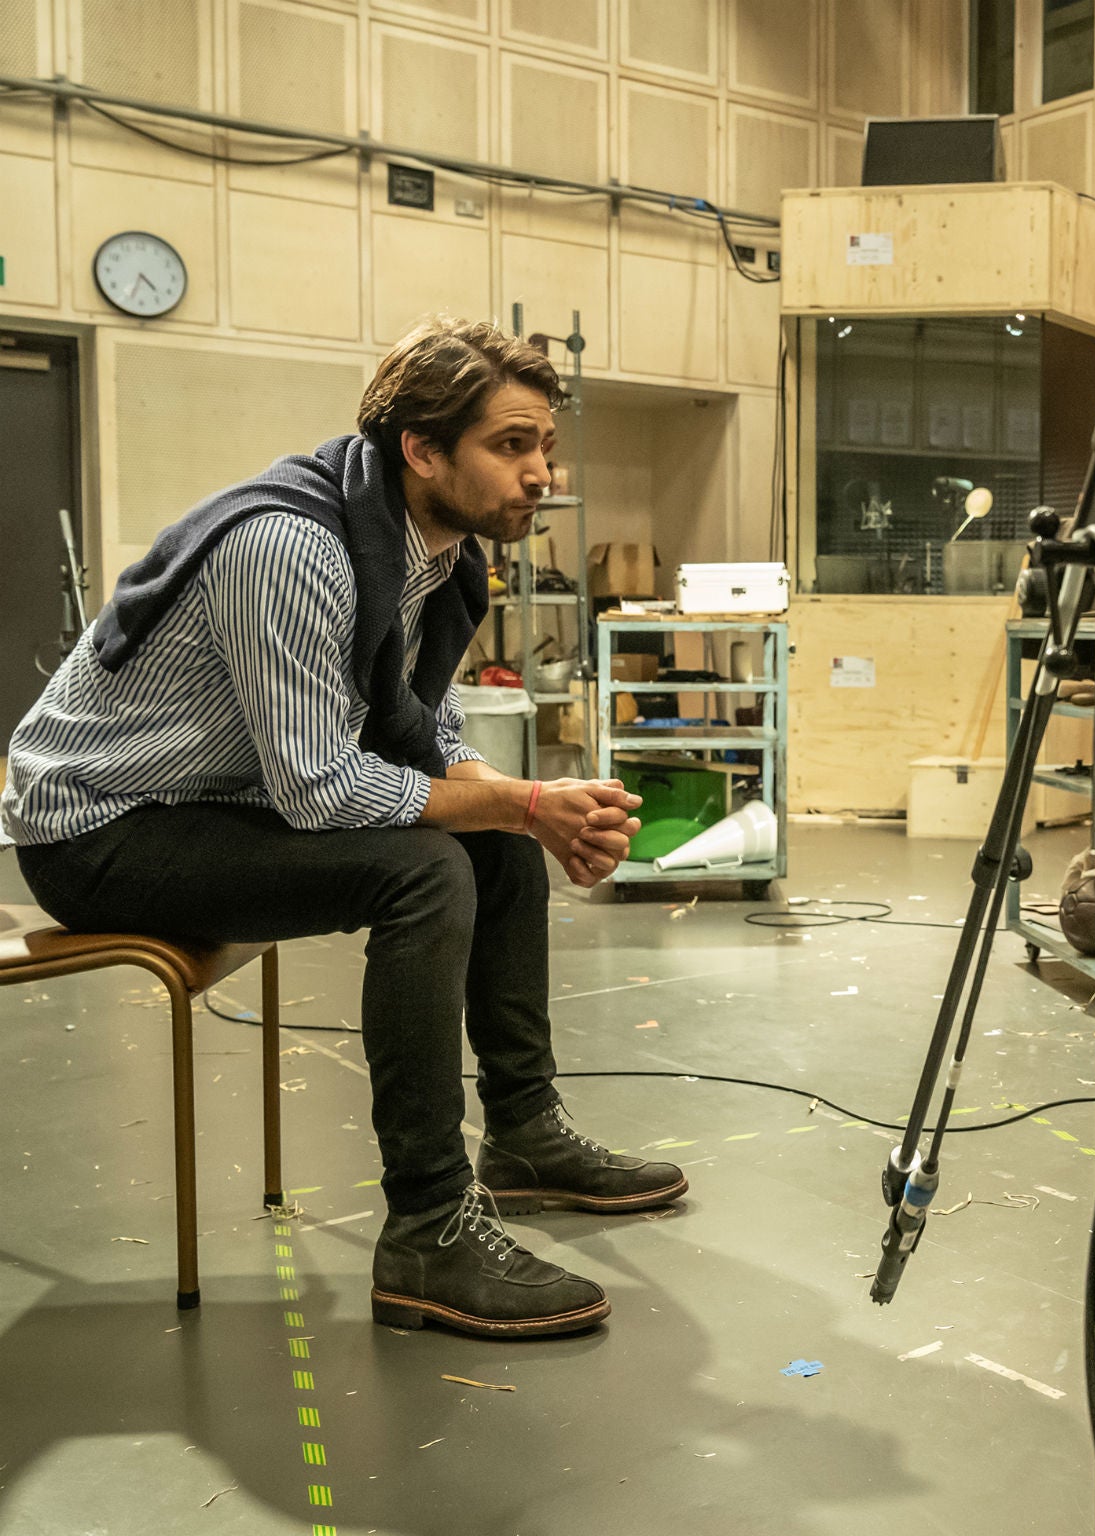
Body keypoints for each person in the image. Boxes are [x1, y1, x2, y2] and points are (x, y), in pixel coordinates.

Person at [3, 317, 687, 1340]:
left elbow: (425, 735)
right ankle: (425, 1229)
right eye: (511, 445)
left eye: (545, 445)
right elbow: (321, 790)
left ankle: (526, 1133)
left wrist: (531, 815)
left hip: (217, 805)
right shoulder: (290, 548)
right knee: (423, 871)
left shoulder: (431, 556)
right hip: (101, 828)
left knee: (490, 842)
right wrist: (525, 802)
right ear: (421, 450)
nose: (541, 472)